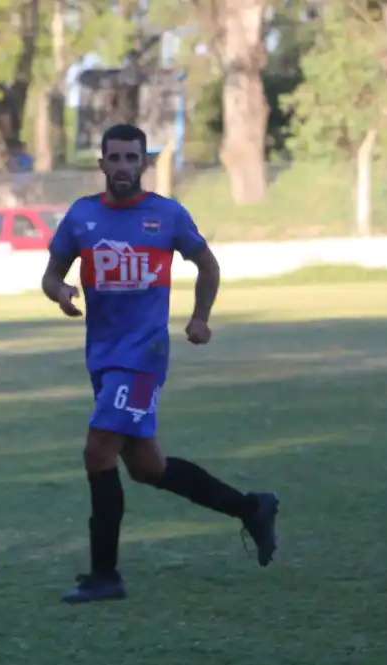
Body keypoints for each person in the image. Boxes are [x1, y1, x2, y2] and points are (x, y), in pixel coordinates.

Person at [39, 123, 279, 605]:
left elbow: (207, 265)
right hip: (103, 358)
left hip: (143, 356)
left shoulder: (166, 215)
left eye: (133, 158)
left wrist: (200, 319)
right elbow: (50, 274)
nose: (124, 166)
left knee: (98, 452)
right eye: (116, 157)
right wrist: (61, 292)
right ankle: (252, 508)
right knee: (148, 468)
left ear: (143, 163)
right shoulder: (82, 216)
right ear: (101, 163)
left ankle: (105, 576)